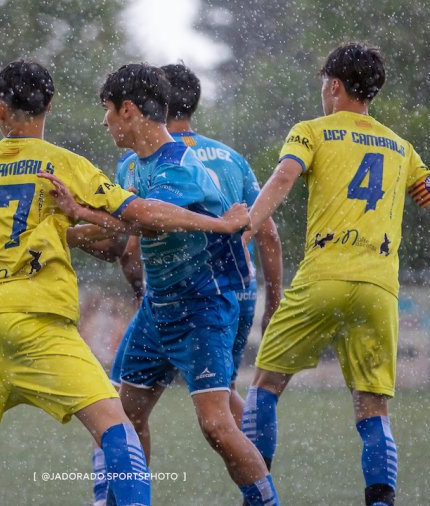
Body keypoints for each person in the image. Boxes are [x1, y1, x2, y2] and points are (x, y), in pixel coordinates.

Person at [0, 60, 249, 506]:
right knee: (118, 429)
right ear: (50, 105)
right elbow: (140, 215)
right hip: (36, 319)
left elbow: (63, 229)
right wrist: (217, 224)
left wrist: (74, 224)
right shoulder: (63, 165)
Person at [241, 43, 430, 506]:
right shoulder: (401, 148)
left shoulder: (311, 132)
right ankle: (380, 502)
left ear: (333, 86)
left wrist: (248, 225)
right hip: (379, 290)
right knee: (373, 410)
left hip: (322, 279)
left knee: (265, 387)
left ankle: (258, 498)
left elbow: (282, 180)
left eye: (323, 85)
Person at [45, 63, 279, 506]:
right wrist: (56, 233)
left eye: (107, 110)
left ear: (128, 110)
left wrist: (81, 215)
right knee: (121, 417)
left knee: (216, 425)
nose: (104, 120)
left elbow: (148, 222)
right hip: (158, 311)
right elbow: (120, 227)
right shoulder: (132, 165)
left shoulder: (180, 165)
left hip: (203, 309)